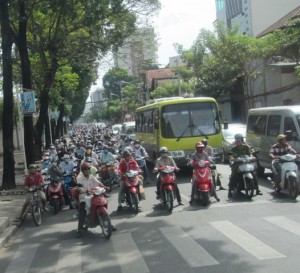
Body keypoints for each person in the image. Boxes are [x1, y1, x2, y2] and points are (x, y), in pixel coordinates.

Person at [76, 163, 115, 236]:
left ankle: (109, 224)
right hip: (84, 196)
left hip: (93, 195)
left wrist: (104, 187)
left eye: (87, 169)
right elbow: (79, 186)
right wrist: (81, 190)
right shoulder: (80, 178)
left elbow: (98, 182)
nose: (86, 170)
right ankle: (79, 229)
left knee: (102, 202)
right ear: (82, 170)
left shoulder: (91, 177)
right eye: (85, 169)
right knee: (83, 211)